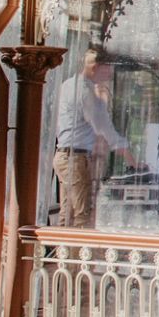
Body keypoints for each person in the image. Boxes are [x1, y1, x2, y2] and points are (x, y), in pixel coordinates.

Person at [52, 47, 129, 228]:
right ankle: (75, 254)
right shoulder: (85, 91)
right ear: (96, 67)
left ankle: (61, 253)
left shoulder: (69, 85)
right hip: (74, 158)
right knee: (82, 215)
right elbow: (103, 127)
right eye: (108, 68)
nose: (110, 74)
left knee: (67, 212)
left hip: (65, 156)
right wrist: (130, 158)